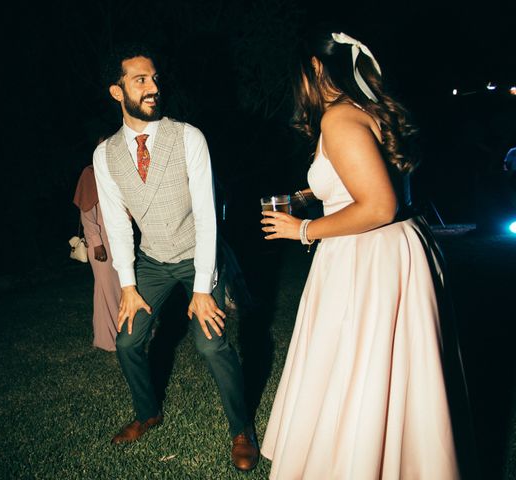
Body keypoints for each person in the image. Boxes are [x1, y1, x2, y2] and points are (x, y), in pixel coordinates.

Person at [260, 28, 473, 478]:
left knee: (360, 364)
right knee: (388, 369)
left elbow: (378, 204)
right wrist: (307, 194)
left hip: (367, 259)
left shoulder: (338, 119)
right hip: (396, 249)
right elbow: (367, 183)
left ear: (315, 68)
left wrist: (304, 230)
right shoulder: (366, 110)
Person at [92, 43, 258, 471]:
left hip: (198, 251)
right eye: (140, 80)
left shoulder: (188, 137)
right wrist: (128, 286)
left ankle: (241, 429)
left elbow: (208, 216)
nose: (152, 88)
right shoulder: (104, 155)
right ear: (117, 91)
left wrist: (202, 288)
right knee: (126, 339)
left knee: (210, 342)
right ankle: (148, 413)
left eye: (154, 79)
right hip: (152, 260)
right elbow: (117, 225)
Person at [73, 159, 121, 352]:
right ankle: (109, 338)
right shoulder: (90, 173)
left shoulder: (116, 170)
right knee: (105, 290)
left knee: (120, 288)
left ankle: (121, 333)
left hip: (119, 240)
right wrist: (96, 243)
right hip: (100, 244)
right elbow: (87, 214)